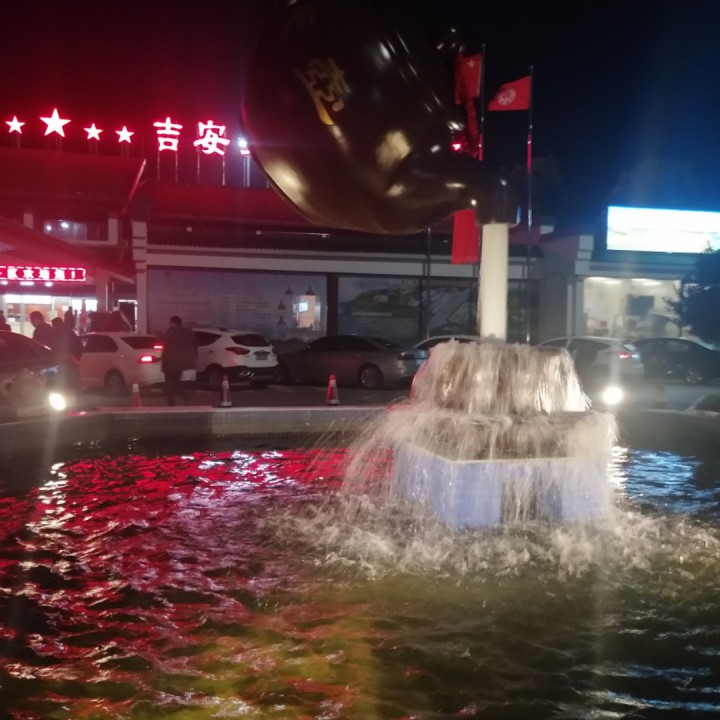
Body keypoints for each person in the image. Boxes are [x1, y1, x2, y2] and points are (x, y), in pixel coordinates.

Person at [161, 315, 197, 406]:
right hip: (181, 362)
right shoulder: (187, 332)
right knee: (176, 379)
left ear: (172, 323)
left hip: (169, 361)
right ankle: (183, 396)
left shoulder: (170, 332)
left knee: (169, 381)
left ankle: (172, 400)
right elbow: (195, 343)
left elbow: (164, 343)